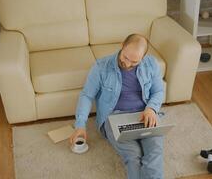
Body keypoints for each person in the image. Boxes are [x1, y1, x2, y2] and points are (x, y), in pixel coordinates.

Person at [70, 34, 165, 179]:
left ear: (143, 57)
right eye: (126, 57)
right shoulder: (102, 67)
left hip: (145, 114)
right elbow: (87, 95)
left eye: (134, 62)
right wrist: (80, 125)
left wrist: (151, 108)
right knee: (133, 155)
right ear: (122, 46)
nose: (127, 64)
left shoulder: (151, 64)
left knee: (154, 153)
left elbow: (158, 91)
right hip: (114, 117)